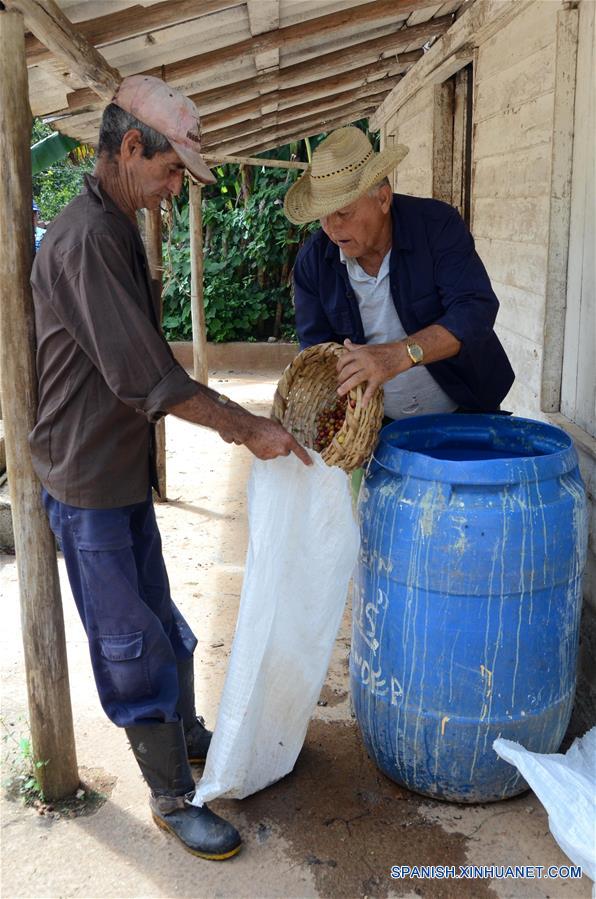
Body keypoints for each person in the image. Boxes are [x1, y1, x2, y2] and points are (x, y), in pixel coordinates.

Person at [29, 75, 311, 861]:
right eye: (169, 169)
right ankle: (169, 795)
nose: (175, 186)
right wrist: (244, 426)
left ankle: (185, 735)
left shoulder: (115, 224)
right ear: (128, 148)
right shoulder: (87, 237)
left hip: (116, 473)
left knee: (162, 622)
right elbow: (146, 377)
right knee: (130, 642)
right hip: (85, 479)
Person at [284, 127, 514, 418]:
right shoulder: (313, 263)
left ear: (382, 199)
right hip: (377, 424)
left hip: (465, 410)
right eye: (323, 215)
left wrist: (399, 355)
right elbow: (318, 354)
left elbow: (474, 311)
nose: (331, 228)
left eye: (343, 213)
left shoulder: (436, 226)